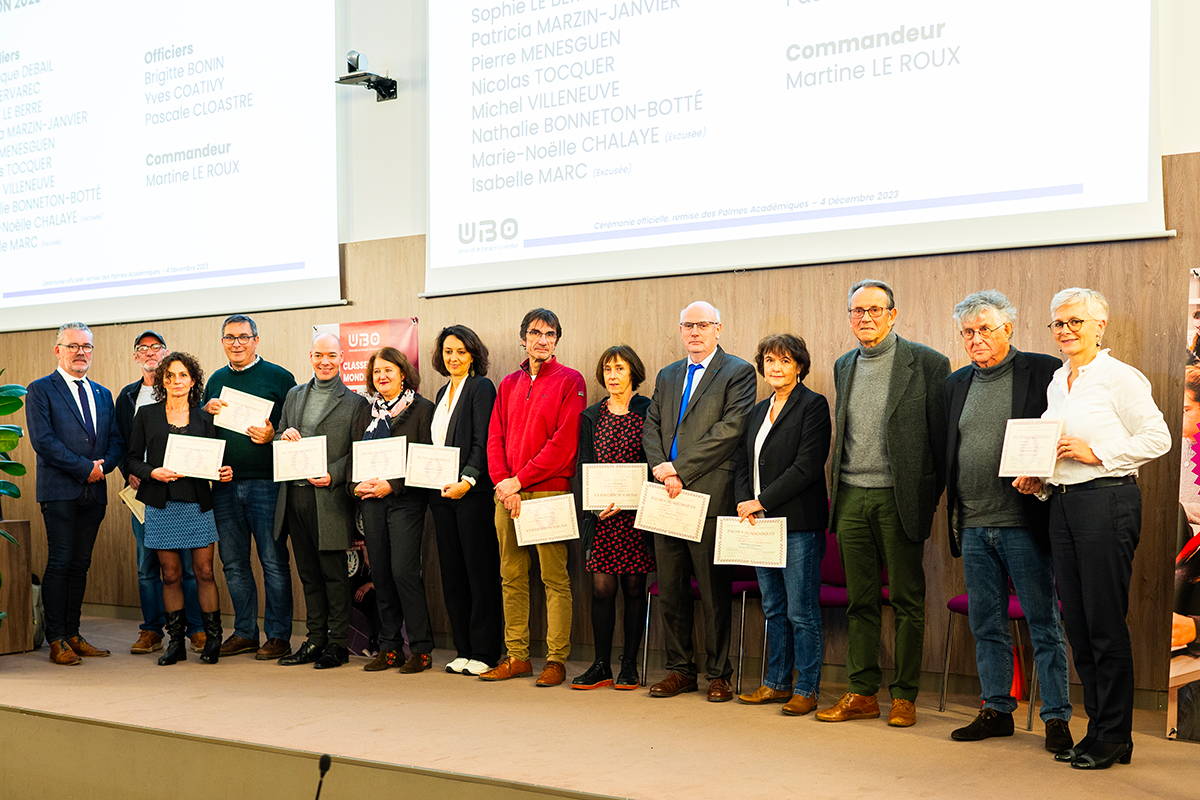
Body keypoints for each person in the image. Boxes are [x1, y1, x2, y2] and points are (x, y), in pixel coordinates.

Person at [1015, 287, 1170, 769]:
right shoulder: (1058, 381)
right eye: (1058, 323)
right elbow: (1056, 449)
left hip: (1107, 503)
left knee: (1104, 623)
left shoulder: (1120, 377)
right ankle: (1098, 730)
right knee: (1078, 625)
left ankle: (1114, 735)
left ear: (1100, 326)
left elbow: (1158, 437)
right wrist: (1037, 477)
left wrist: (1098, 454)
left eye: (1075, 322)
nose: (1065, 331)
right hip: (1062, 505)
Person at [942, 291, 1073, 753]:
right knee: (987, 623)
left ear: (1008, 329)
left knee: (1043, 622)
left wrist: (1039, 472)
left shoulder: (1042, 371)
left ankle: (1056, 716)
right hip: (974, 523)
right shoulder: (956, 384)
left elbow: (1059, 427)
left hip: (1024, 521)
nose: (977, 339)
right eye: (969, 333)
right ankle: (997, 708)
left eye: (986, 330)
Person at [816, 279, 950, 727]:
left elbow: (940, 439)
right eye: (857, 311)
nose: (866, 318)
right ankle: (861, 691)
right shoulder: (843, 364)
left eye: (875, 310)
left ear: (893, 314)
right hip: (851, 495)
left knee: (909, 600)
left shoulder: (929, 363)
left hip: (901, 498)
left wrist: (925, 500)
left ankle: (905, 695)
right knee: (862, 600)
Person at [643, 301, 756, 702]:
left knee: (712, 589)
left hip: (707, 491)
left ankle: (719, 673)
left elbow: (730, 430)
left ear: (718, 329)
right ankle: (679, 670)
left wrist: (678, 469)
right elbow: (651, 424)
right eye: (688, 325)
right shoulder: (668, 374)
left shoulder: (739, 371)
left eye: (702, 325)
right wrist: (661, 467)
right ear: (680, 330)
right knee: (671, 588)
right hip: (665, 494)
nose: (694, 331)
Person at [482, 308, 586, 687]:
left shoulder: (570, 380)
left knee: (554, 578)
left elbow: (564, 443)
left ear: (557, 340)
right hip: (506, 493)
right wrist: (504, 483)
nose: (543, 340)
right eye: (536, 333)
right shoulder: (508, 383)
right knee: (511, 576)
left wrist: (519, 480)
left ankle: (556, 659)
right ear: (523, 338)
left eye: (551, 334)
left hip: (548, 490)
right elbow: (495, 437)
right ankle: (517, 656)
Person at [732, 333, 831, 715]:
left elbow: (807, 466)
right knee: (773, 607)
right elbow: (744, 463)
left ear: (800, 366)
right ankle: (775, 683)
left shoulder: (813, 405)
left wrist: (762, 500)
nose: (776, 367)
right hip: (760, 523)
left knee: (801, 611)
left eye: (786, 361)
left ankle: (806, 688)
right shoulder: (758, 411)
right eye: (771, 360)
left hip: (799, 525)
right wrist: (747, 504)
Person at [26, 322, 123, 666]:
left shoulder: (102, 393)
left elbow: (115, 441)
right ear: (58, 351)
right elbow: (44, 442)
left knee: (81, 565)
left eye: (86, 347)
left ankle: (73, 633)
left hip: (94, 493)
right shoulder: (40, 390)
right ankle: (56, 639)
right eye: (73, 346)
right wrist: (86, 468)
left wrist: (104, 466)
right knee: (60, 562)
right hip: (60, 491)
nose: (81, 352)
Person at [127, 352, 231, 665]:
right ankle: (175, 643)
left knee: (203, 572)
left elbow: (215, 461)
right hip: (161, 504)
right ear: (162, 381)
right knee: (170, 575)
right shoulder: (147, 414)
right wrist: (151, 473)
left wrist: (223, 472)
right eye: (170, 376)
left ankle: (213, 639)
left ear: (193, 381)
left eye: (182, 375)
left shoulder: (204, 416)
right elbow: (131, 459)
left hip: (198, 504)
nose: (176, 382)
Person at [202, 314, 296, 660]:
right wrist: (204, 411)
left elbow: (294, 427)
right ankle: (244, 632)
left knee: (273, 560)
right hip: (225, 486)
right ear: (223, 342)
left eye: (243, 337)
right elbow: (201, 432)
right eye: (230, 338)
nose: (236, 343)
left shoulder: (279, 377)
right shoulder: (216, 380)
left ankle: (278, 635)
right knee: (234, 563)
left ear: (256, 340)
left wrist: (274, 435)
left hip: (267, 484)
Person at [272, 333, 368, 669]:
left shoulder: (355, 402)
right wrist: (282, 436)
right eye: (318, 355)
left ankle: (337, 644)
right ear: (310, 356)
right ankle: (315, 639)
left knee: (334, 575)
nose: (324, 361)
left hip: (328, 498)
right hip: (294, 496)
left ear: (342, 357)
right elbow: (278, 434)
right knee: (309, 574)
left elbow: (358, 453)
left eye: (331, 355)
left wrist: (334, 474)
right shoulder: (294, 395)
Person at [571, 345, 656, 690]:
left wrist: (641, 497)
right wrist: (594, 507)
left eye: (619, 368)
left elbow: (656, 461)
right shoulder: (592, 416)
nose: (613, 375)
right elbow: (583, 468)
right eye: (607, 369)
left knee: (635, 588)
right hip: (604, 518)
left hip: (638, 516)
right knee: (602, 589)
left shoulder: (649, 411)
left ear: (633, 372)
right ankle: (601, 664)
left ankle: (630, 665)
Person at [116, 330, 204, 655]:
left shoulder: (196, 405)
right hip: (145, 494)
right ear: (136, 355)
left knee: (190, 568)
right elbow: (123, 446)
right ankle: (151, 630)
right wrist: (134, 471)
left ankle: (195, 629)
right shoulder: (128, 398)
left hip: (187, 495)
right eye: (143, 348)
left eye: (156, 347)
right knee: (147, 566)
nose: (149, 352)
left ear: (165, 352)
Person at [349, 347, 436, 674]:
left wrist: (393, 485)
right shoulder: (365, 410)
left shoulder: (421, 409)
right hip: (371, 502)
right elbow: (354, 451)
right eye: (376, 372)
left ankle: (422, 649)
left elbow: (426, 462)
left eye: (389, 370)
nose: (382, 376)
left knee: (403, 572)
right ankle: (389, 648)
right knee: (381, 575)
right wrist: (353, 486)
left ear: (403, 373)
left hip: (405, 501)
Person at [427, 325, 503, 676]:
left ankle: (486, 651)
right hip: (442, 496)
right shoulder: (443, 391)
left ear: (473, 353)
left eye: (460, 351)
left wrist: (468, 479)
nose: (453, 357)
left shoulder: (481, 387)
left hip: (472, 494)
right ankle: (463, 648)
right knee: (453, 574)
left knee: (479, 573)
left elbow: (482, 438)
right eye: (447, 352)